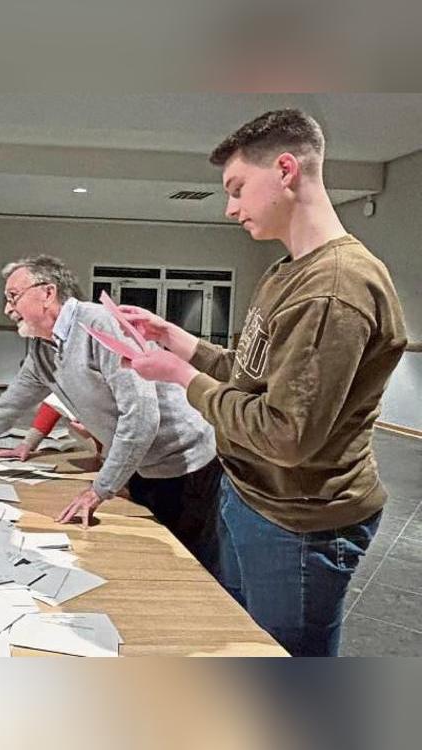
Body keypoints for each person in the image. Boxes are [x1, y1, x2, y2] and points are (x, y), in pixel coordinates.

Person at [122, 109, 407, 656]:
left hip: (297, 521)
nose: (230, 208)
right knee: (243, 643)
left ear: (284, 170)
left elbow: (285, 434)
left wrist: (179, 376)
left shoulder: (335, 286)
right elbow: (250, 375)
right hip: (251, 496)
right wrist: (174, 340)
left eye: (237, 188)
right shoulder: (286, 270)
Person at [0, 255, 222, 574]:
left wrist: (99, 489)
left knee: (195, 570)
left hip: (189, 465)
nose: (7, 309)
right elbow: (7, 408)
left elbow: (141, 417)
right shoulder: (41, 349)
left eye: (13, 297)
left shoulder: (100, 324)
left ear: (47, 292)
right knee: (149, 565)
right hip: (144, 469)